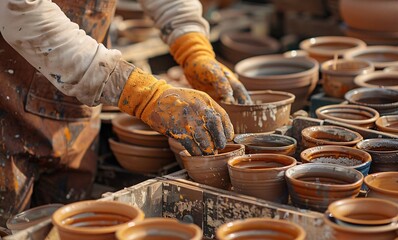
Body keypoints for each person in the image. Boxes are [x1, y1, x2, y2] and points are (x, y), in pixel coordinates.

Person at [0, 0, 251, 226]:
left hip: (77, 110)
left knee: (74, 225)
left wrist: (193, 47)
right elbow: (20, 11)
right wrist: (140, 93)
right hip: (7, 108)